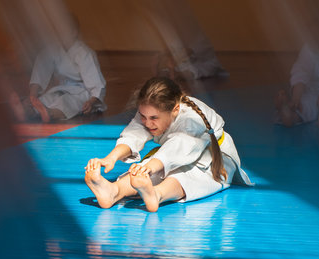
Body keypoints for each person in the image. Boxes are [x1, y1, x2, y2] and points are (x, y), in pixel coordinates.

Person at [84, 77, 252, 212]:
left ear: (175, 110)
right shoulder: (151, 110)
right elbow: (133, 134)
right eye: (143, 116)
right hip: (171, 156)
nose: (147, 123)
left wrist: (150, 167)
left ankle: (156, 194)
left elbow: (177, 149)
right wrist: (111, 158)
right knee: (140, 173)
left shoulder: (192, 119)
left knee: (187, 175)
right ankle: (114, 191)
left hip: (215, 159)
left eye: (154, 118)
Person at [11, 16, 106, 123]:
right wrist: (32, 96)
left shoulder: (84, 53)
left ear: (73, 33)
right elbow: (40, 70)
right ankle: (28, 110)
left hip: (83, 93)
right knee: (47, 99)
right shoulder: (52, 50)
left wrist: (92, 102)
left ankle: (49, 113)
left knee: (66, 102)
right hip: (62, 89)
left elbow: (96, 84)